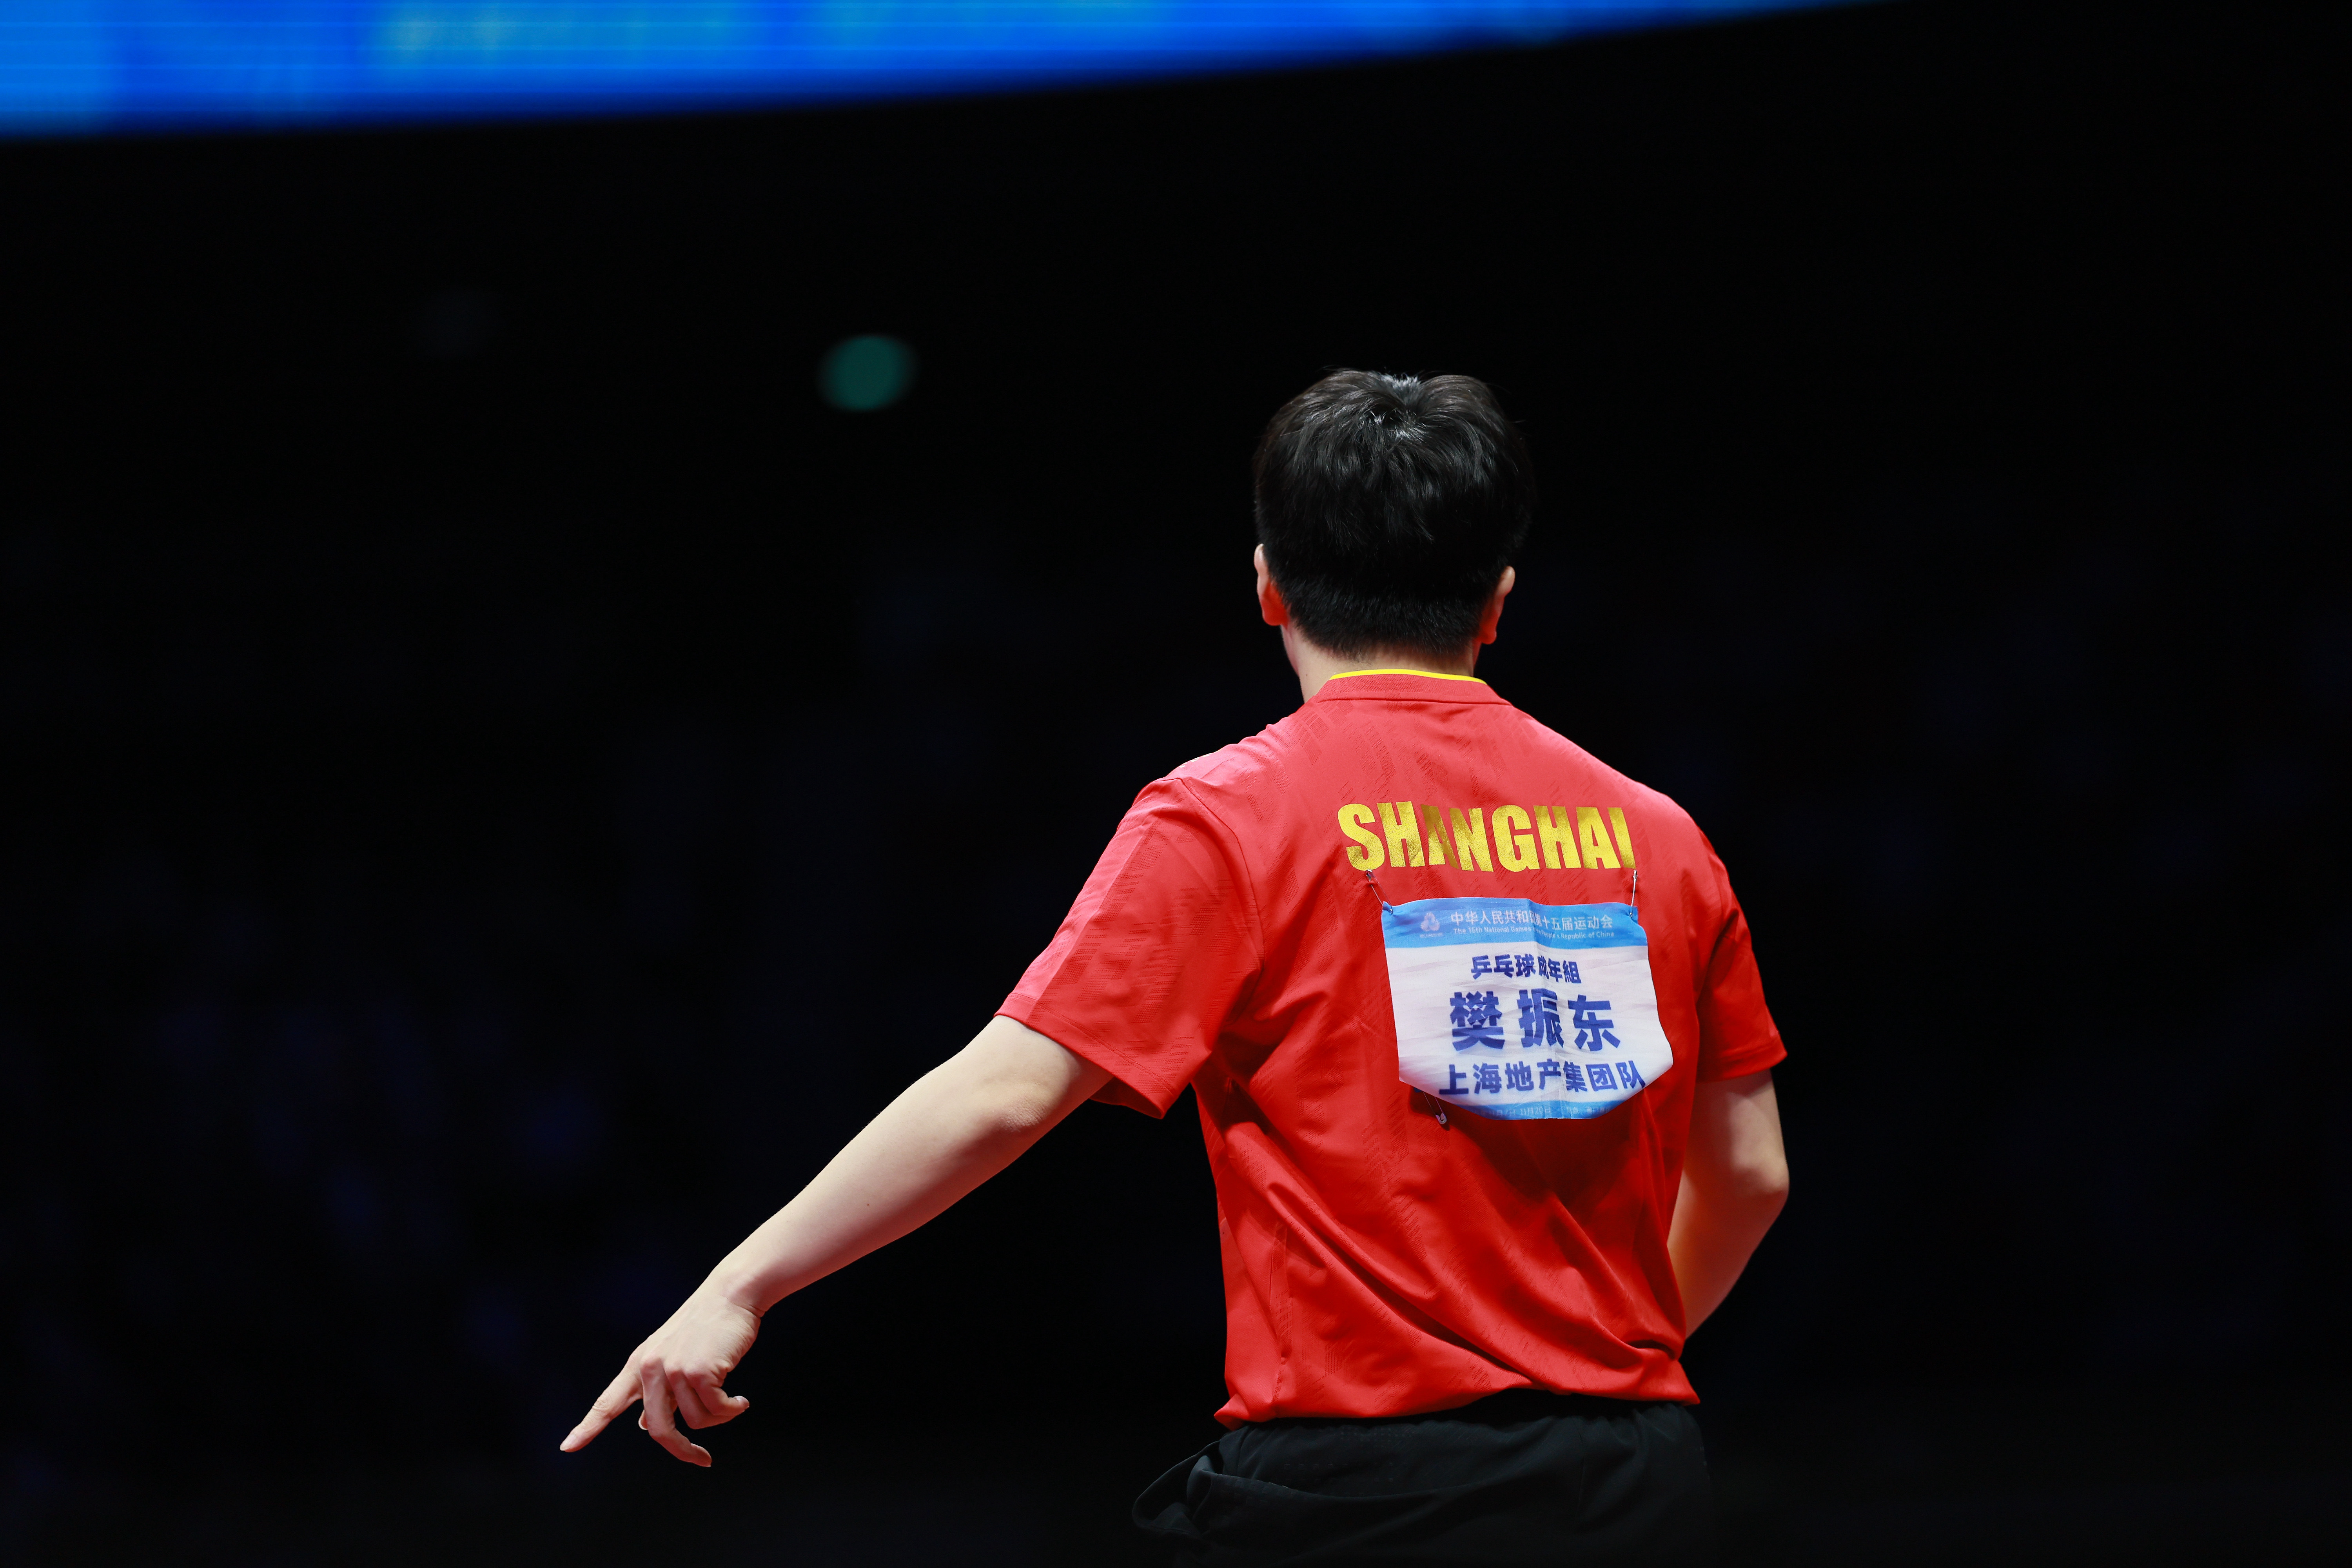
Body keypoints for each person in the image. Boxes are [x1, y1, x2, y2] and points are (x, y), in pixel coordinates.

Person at [560, 370, 1790, 1565]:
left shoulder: (1229, 818)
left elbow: (1006, 1094)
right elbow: (1750, 1174)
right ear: (1498, 601)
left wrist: (741, 1286)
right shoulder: (1659, 837)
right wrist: (1600, 1368)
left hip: (1357, 1494)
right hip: (1632, 1481)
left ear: (1268, 585)